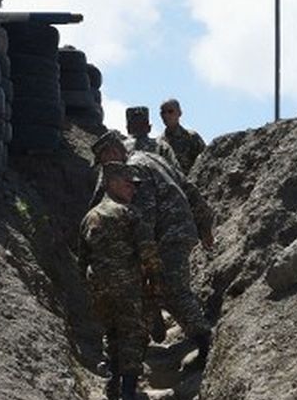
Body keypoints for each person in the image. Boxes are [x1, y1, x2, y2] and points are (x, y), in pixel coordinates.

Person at [89, 130, 214, 366]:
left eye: (104, 160)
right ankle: (162, 330)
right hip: (180, 229)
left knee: (172, 289)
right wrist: (204, 224)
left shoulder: (133, 169)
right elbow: (189, 188)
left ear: (113, 152)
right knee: (165, 286)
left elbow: (144, 214)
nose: (105, 167)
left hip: (168, 235)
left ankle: (206, 344)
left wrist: (140, 251)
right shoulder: (152, 157)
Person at [77, 161, 163, 400]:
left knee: (112, 334)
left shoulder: (89, 217)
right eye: (128, 184)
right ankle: (128, 396)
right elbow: (148, 253)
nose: (133, 190)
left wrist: (90, 289)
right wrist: (156, 286)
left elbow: (82, 260)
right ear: (111, 183)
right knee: (133, 337)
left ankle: (113, 389)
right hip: (129, 287)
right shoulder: (129, 213)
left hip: (99, 289)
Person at [159, 98, 206, 174]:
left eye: (170, 111)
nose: (166, 115)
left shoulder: (192, 137)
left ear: (179, 113)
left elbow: (205, 161)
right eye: (163, 112)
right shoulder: (158, 143)